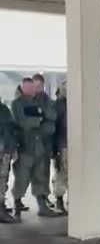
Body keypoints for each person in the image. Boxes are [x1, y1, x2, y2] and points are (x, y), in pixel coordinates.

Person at [11, 77, 60, 218]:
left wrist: (40, 119)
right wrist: (39, 120)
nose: (31, 90)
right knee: (22, 177)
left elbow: (52, 120)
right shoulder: (17, 103)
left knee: (41, 177)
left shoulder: (41, 101)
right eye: (27, 87)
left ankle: (42, 207)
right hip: (25, 147)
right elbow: (22, 122)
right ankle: (17, 205)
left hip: (41, 147)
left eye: (33, 87)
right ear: (22, 88)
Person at [32, 73, 57, 201]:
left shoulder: (47, 100)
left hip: (46, 141)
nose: (37, 89)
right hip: (33, 142)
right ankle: (37, 200)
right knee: (35, 172)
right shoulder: (28, 99)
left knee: (45, 170)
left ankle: (45, 197)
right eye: (35, 86)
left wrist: (42, 112)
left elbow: (53, 116)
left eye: (39, 86)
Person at [0, 97, 17, 224]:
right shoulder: (3, 110)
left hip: (6, 149)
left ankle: (1, 206)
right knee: (1, 178)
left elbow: (11, 130)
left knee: (3, 178)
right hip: (3, 149)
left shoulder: (4, 109)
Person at [52, 80, 68, 214]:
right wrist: (57, 148)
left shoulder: (78, 103)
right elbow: (55, 128)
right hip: (62, 145)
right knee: (61, 173)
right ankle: (59, 200)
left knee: (75, 174)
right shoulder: (57, 105)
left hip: (76, 143)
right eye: (65, 87)